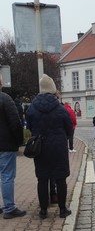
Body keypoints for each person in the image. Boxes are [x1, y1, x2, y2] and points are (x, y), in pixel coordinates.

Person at [26, 74, 73, 219]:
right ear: (53, 90)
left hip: (40, 147)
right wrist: (62, 137)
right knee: (60, 179)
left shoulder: (32, 108)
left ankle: (43, 211)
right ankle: (63, 210)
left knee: (42, 178)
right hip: (58, 147)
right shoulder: (60, 108)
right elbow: (69, 128)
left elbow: (29, 125)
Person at [0, 74, 27, 219]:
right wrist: (19, 141)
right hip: (5, 145)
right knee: (7, 176)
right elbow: (15, 123)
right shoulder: (5, 99)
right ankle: (9, 208)